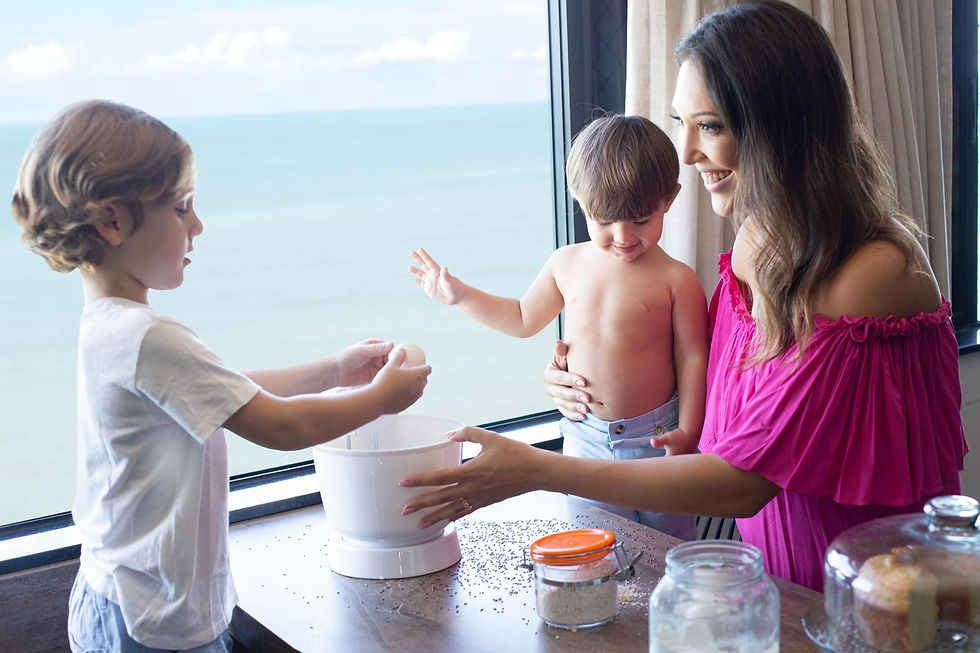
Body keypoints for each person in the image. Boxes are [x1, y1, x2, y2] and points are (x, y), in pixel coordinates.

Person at [399, 0, 968, 592]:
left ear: (783, 125)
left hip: (872, 589)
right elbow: (729, 382)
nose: (689, 152)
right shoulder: (759, 240)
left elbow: (744, 483)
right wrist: (582, 370)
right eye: (682, 123)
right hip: (779, 580)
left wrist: (537, 470)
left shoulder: (873, 272)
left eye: (711, 126)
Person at [10, 100, 431, 652]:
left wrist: (334, 370)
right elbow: (277, 427)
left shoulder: (110, 325)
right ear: (112, 220)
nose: (198, 225)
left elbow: (220, 389)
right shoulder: (149, 336)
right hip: (150, 620)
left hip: (120, 595)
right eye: (182, 209)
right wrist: (381, 398)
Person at [409, 114, 707, 538]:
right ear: (581, 203)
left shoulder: (677, 279)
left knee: (671, 547)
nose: (623, 235)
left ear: (669, 199)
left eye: (640, 219)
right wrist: (462, 297)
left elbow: (694, 359)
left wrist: (688, 431)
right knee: (593, 547)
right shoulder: (565, 263)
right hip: (584, 440)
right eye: (605, 220)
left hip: (655, 440)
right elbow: (522, 318)